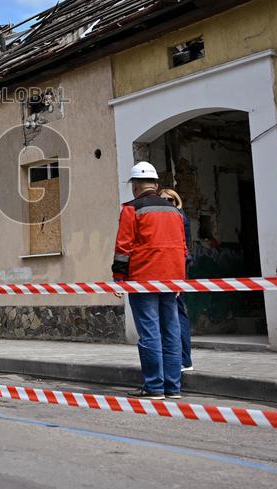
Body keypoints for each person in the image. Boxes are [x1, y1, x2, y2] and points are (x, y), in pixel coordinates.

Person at [112, 162, 188, 400]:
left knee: (150, 333)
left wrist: (118, 279)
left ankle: (154, 386)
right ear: (155, 185)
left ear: (135, 186)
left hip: (143, 279)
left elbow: (123, 248)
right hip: (171, 278)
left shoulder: (131, 210)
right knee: (171, 332)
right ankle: (173, 387)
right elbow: (182, 248)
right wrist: (180, 280)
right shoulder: (175, 211)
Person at [160, 188, 194, 372]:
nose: (166, 202)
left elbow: (184, 249)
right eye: (163, 199)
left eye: (170, 200)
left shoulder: (180, 218)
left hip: (177, 271)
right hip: (167, 271)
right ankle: (178, 359)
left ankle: (184, 359)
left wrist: (179, 277)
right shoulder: (166, 218)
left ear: (177, 201)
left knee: (178, 314)